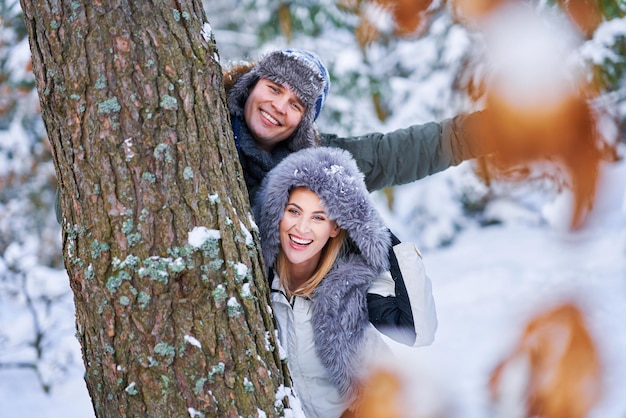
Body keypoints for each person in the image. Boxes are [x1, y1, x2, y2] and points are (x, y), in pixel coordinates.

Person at [253, 146, 437, 418]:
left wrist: (376, 233)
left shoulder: (353, 286)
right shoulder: (258, 279)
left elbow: (419, 332)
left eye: (318, 217)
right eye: (294, 211)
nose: (302, 228)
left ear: (335, 227)